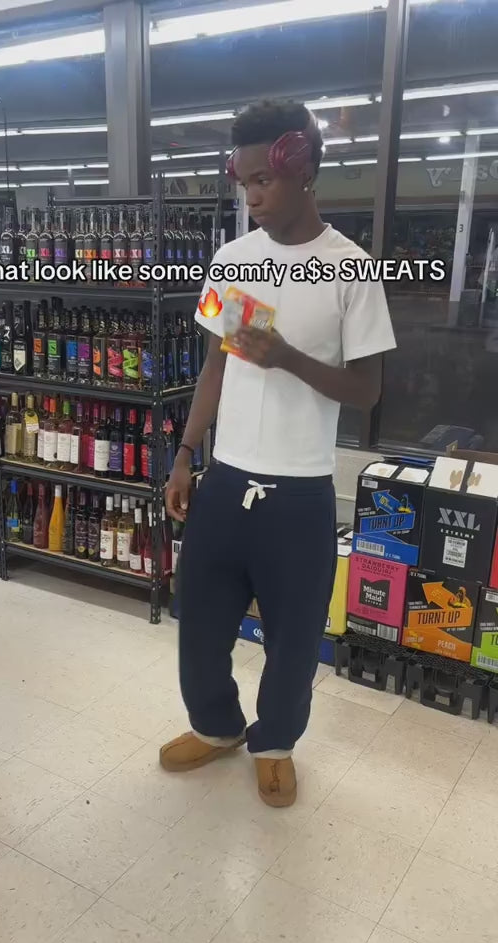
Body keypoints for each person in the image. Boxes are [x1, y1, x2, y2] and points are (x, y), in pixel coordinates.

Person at [160, 99, 396, 807]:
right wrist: (186, 453)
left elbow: (367, 392)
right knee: (200, 625)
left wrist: (287, 356)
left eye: (264, 180)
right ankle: (217, 727)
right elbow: (216, 366)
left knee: (292, 643)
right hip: (226, 477)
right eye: (245, 182)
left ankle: (274, 744)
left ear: (304, 168)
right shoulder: (233, 261)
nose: (253, 197)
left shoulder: (350, 270)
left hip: (299, 492)